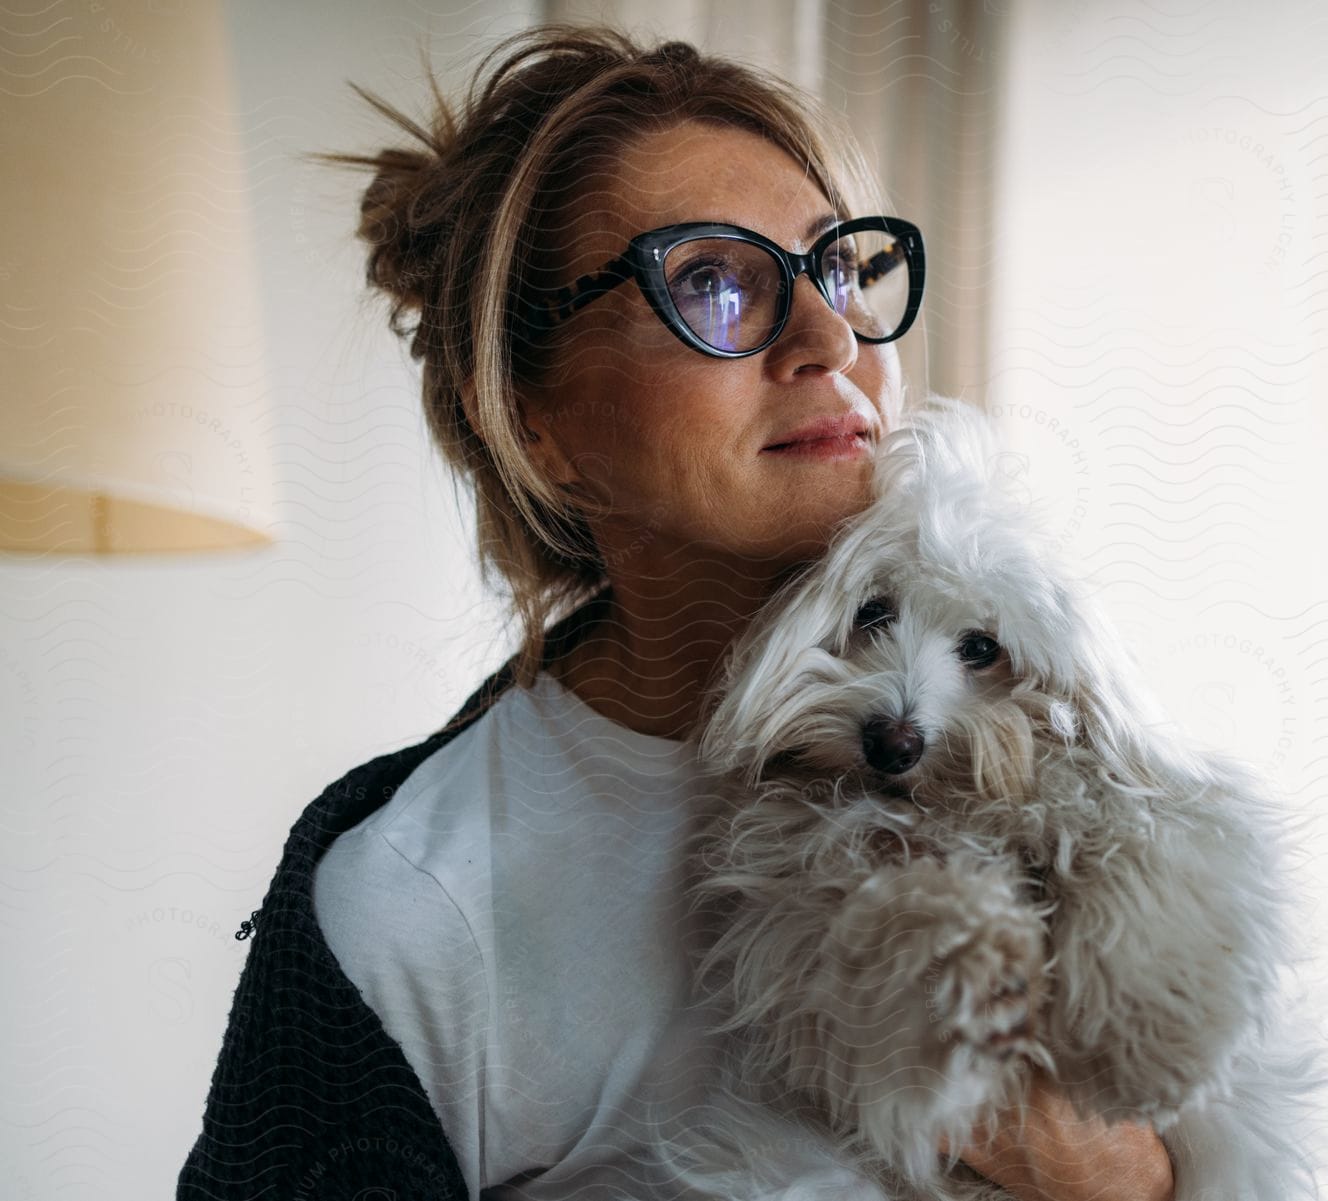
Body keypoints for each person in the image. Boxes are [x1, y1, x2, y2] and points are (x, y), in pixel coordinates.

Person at [179, 25, 1175, 1201]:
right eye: (711, 279)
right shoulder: (417, 902)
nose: (830, 340)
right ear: (529, 416)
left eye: (838, 269)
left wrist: (1110, 1170)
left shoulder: (1061, 726)